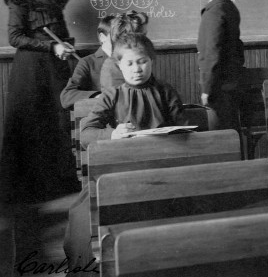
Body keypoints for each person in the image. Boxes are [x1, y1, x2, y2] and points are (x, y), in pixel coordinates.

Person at [65, 33, 184, 268]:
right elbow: (87, 132)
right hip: (120, 169)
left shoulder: (166, 92)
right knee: (83, 216)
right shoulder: (113, 95)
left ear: (152, 61)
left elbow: (184, 128)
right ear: (119, 65)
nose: (137, 69)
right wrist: (113, 134)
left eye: (142, 61)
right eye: (129, 63)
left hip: (161, 166)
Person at [0, 0, 80, 203]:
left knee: (58, 121)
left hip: (55, 69)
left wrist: (64, 45)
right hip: (31, 71)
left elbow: (60, 33)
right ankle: (31, 192)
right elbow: (15, 37)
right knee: (33, 123)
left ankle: (58, 186)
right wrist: (51, 45)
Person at [197, 0, 245, 132]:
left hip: (219, 86)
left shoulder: (215, 11)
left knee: (220, 134)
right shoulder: (228, 7)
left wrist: (206, 89)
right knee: (230, 129)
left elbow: (212, 52)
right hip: (230, 82)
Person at [60, 14, 114, 109]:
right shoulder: (87, 62)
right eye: (117, 36)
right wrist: (98, 96)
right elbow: (67, 96)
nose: (124, 40)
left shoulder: (130, 59)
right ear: (102, 37)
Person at [100, 10, 149, 90]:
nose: (146, 40)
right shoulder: (112, 66)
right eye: (143, 36)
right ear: (128, 38)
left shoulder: (138, 60)